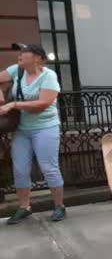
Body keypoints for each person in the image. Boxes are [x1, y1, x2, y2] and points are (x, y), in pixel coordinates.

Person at [0, 43, 65, 224]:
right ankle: (24, 207)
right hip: (22, 129)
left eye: (24, 52)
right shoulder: (16, 71)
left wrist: (13, 105)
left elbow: (43, 104)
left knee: (48, 168)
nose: (19, 55)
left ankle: (59, 206)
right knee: (20, 169)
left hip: (46, 127)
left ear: (37, 57)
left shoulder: (49, 76)